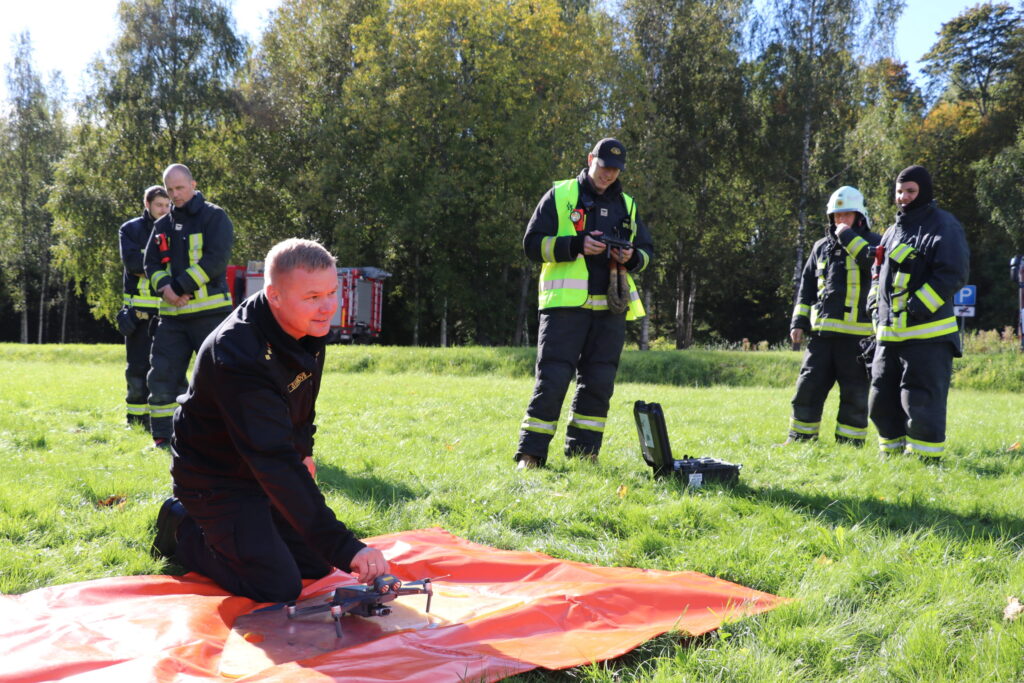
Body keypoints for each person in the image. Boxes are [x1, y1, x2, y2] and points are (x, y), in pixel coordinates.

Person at [152, 238, 388, 602]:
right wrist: (346, 547)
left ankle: (254, 529)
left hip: (259, 467)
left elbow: (302, 408)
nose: (328, 307)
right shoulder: (239, 353)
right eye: (313, 297)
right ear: (274, 295)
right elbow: (273, 459)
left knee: (317, 565)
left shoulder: (306, 326)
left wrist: (304, 452)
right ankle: (182, 526)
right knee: (276, 585)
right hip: (216, 479)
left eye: (331, 293)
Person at [515, 138, 654, 469]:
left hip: (609, 310)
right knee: (553, 379)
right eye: (604, 166)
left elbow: (647, 253)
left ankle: (584, 455)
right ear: (591, 159)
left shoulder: (627, 205)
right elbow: (532, 245)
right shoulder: (560, 195)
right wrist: (576, 245)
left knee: (599, 383)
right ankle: (530, 454)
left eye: (615, 169)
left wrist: (632, 256)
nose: (609, 174)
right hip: (564, 307)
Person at [868, 165, 969, 460]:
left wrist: (918, 306)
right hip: (889, 338)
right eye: (899, 191)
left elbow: (953, 273)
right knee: (880, 401)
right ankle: (892, 460)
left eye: (910, 191)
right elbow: (877, 274)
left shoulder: (944, 225)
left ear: (924, 192)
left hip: (928, 338)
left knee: (920, 402)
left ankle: (924, 463)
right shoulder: (891, 232)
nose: (903, 197)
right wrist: (874, 306)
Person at [144, 164, 234, 449]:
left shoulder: (214, 217)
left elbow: (216, 259)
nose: (175, 194)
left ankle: (226, 438)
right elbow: (150, 264)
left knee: (219, 379)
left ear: (193, 185)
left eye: (180, 188)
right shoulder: (162, 225)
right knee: (162, 377)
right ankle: (164, 437)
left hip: (211, 316)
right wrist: (165, 289)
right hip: (172, 319)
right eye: (170, 190)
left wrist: (180, 287)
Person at [786, 186, 881, 446]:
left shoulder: (875, 243)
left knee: (855, 395)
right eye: (836, 216)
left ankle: (849, 445)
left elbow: (874, 265)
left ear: (859, 217)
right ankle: (800, 439)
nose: (840, 220)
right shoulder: (820, 247)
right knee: (807, 388)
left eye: (846, 215)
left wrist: (848, 237)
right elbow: (806, 288)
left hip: (858, 339)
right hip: (822, 337)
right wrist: (798, 323)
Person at [118, 186, 170, 429]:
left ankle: (163, 421)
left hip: (168, 313)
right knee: (137, 370)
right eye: (159, 205)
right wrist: (161, 265)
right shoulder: (130, 230)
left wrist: (149, 266)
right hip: (138, 314)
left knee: (165, 370)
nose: (164, 210)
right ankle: (136, 421)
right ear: (147, 204)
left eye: (167, 205)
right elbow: (133, 264)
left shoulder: (176, 228)